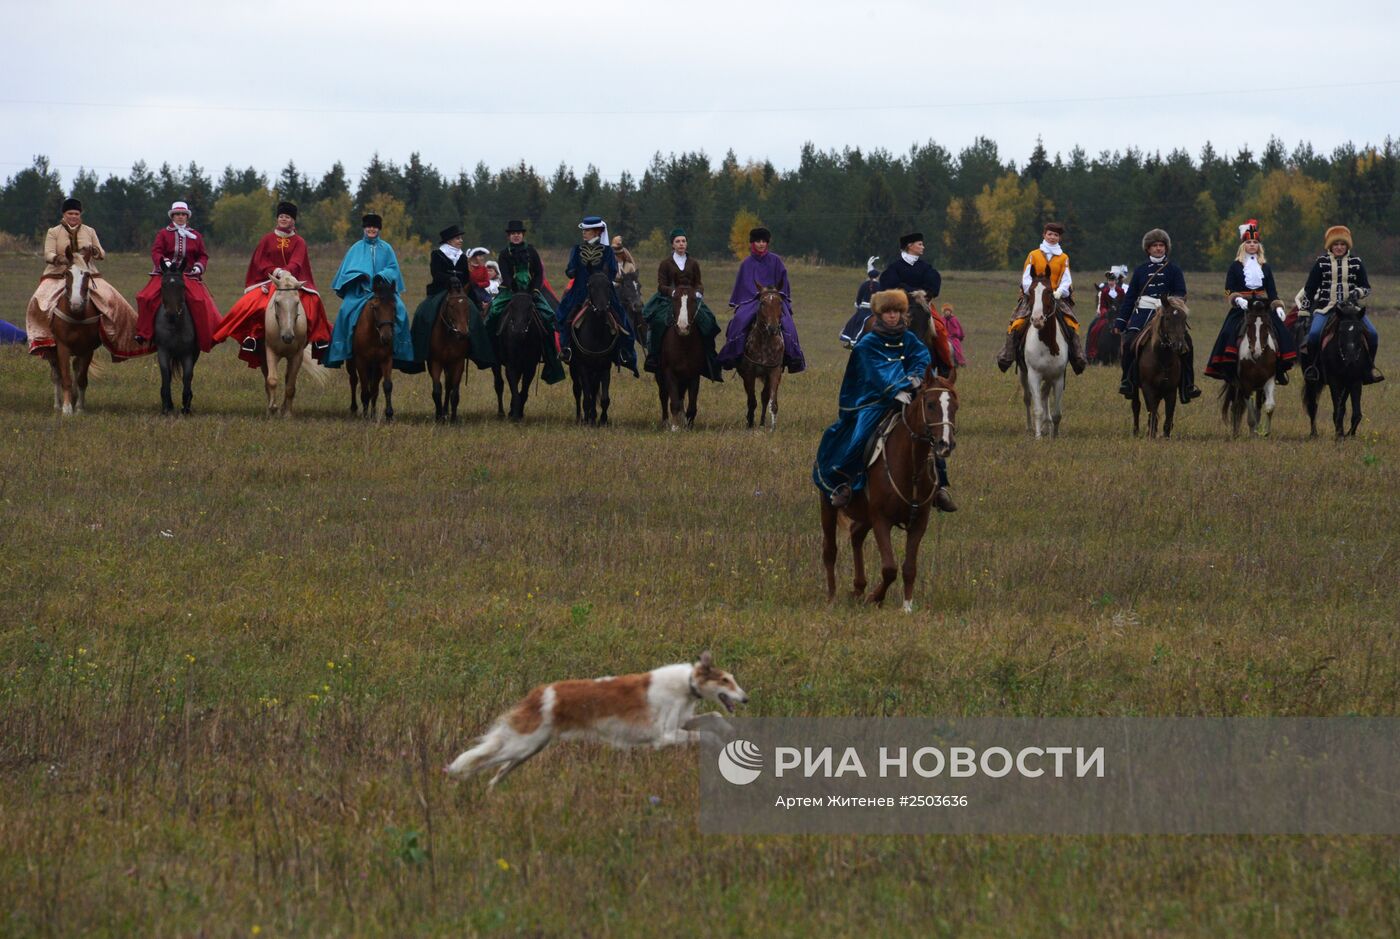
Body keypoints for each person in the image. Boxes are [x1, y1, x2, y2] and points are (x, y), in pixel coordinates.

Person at [813, 289, 955, 512]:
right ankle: (847, 482)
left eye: (896, 311)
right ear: (879, 314)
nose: (892, 316)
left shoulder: (909, 339)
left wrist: (917, 377)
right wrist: (895, 390)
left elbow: (921, 357)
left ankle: (940, 486)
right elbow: (873, 372)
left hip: (909, 397)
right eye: (888, 312)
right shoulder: (866, 343)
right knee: (860, 435)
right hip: (873, 401)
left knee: (929, 432)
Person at [213, 201, 332, 367]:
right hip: (269, 281)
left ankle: (319, 339)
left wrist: (286, 274)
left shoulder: (299, 241)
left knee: (314, 303)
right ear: (277, 219)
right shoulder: (267, 240)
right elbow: (260, 262)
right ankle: (252, 337)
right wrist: (277, 272)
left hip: (292, 282)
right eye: (281, 216)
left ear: (293, 221)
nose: (283, 219)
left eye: (287, 217)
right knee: (252, 304)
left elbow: (297, 262)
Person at [23, 198, 144, 360]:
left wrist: (94, 250)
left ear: (81, 214)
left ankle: (120, 341)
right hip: (58, 274)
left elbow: (101, 253)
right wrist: (59, 259)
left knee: (115, 301)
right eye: (70, 213)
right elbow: (48, 253)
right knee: (38, 300)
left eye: (76, 213)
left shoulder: (89, 231)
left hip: (88, 273)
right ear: (64, 214)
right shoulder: (54, 232)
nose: (73, 216)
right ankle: (43, 339)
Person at [1204, 219, 1296, 385]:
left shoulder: (1265, 267)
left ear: (1259, 245)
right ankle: (1229, 369)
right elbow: (1228, 289)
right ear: (1243, 245)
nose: (1252, 245)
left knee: (1281, 331)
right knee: (1228, 332)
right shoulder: (1235, 266)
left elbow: (1272, 291)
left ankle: (1280, 368)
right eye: (1249, 242)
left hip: (1262, 305)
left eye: (1255, 242)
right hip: (1243, 306)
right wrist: (1237, 299)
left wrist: (1278, 306)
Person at [1113, 228, 1199, 401]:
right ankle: (1127, 381)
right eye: (1155, 246)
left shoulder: (1174, 270)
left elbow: (1181, 293)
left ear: (1166, 248)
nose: (1158, 248)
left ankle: (1188, 386)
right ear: (1148, 249)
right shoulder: (1140, 270)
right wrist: (1121, 322)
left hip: (1167, 313)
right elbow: (1130, 298)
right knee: (1129, 343)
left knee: (1186, 344)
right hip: (1143, 312)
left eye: (1161, 245)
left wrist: (1169, 305)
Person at [324, 214, 414, 369]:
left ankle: (399, 350)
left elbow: (393, 268)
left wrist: (382, 275)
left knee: (401, 310)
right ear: (364, 229)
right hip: (361, 292)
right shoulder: (355, 248)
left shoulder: (387, 248)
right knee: (344, 312)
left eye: (374, 227)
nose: (371, 229)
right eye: (368, 227)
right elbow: (347, 271)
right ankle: (343, 349)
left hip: (384, 293)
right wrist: (360, 275)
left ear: (379, 229)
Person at [995, 222, 1087, 374]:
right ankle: (1008, 355)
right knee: (1016, 323)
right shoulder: (1034, 255)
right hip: (1033, 295)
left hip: (1056, 297)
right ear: (1044, 235)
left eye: (1056, 235)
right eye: (1050, 234)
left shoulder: (1064, 258)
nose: (1052, 237)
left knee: (1071, 323)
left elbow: (1066, 279)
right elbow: (1026, 277)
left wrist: (1060, 292)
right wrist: (1031, 292)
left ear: (1059, 238)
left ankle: (1077, 357)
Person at [404, 224, 496, 373]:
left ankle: (479, 353)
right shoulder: (437, 254)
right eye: (457, 238)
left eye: (460, 238)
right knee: (423, 313)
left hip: (459, 292)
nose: (460, 241)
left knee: (474, 314)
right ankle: (419, 353)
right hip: (440, 290)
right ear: (448, 241)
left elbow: (466, 277)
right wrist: (450, 279)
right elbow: (436, 273)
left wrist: (465, 287)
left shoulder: (461, 256)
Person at [134, 201, 222, 352]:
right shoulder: (163, 234)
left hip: (188, 274)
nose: (180, 217)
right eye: (177, 214)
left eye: (183, 214)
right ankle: (144, 333)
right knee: (145, 297)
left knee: (200, 301)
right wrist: (165, 263)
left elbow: (203, 255)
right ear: (172, 216)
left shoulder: (196, 236)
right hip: (164, 274)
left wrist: (197, 267)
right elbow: (156, 251)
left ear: (187, 217)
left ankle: (203, 335)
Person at [555, 214, 638, 375]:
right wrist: (571, 270)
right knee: (564, 317)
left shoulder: (607, 251)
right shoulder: (576, 249)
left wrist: (602, 277)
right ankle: (566, 349)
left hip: (601, 292)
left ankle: (624, 352)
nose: (584, 233)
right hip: (579, 291)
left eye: (587, 230)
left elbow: (613, 272)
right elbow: (570, 269)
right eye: (584, 230)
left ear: (597, 232)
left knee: (622, 319)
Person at [718, 227, 806, 372]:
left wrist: (776, 296)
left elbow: (783, 283)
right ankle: (732, 355)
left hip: (774, 299)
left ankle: (794, 357)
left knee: (788, 323)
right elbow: (743, 286)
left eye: (764, 241)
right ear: (752, 243)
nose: (761, 244)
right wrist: (757, 295)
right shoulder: (746, 263)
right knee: (740, 320)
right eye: (758, 241)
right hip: (752, 300)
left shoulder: (776, 261)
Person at [1300, 225, 1381, 383]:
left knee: (1373, 334)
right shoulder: (1321, 263)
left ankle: (1368, 368)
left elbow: (1366, 287)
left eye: (1342, 244)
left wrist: (1357, 292)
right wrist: (1304, 310)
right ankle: (1314, 368)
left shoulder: (1356, 262)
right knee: (1314, 335)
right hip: (1326, 309)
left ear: (1347, 245)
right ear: (1330, 245)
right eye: (1335, 244)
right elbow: (1310, 289)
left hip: (1351, 310)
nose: (1339, 247)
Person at [487, 219, 565, 383]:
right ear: (509, 236)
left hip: (532, 290)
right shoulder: (504, 254)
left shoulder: (532, 251)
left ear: (522, 235)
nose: (516, 236)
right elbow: (506, 276)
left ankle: (550, 357)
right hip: (510, 290)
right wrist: (515, 290)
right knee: (493, 313)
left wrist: (534, 290)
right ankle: (491, 351)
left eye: (519, 233)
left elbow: (538, 273)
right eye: (513, 234)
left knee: (548, 316)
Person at [640, 228, 721, 380]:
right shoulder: (665, 263)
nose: (681, 244)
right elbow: (661, 285)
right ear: (672, 245)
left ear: (686, 244)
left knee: (709, 321)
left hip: (690, 299)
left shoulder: (693, 263)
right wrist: (671, 292)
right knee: (658, 322)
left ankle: (710, 358)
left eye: (683, 241)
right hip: (670, 300)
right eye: (678, 241)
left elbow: (699, 283)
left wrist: (698, 292)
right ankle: (654, 356)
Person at [877, 231, 956, 374]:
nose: (923, 247)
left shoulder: (925, 267)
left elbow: (933, 285)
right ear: (910, 246)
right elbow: (889, 285)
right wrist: (908, 292)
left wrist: (925, 295)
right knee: (876, 327)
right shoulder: (895, 267)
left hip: (922, 305)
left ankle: (945, 366)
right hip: (898, 306)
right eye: (920, 244)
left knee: (939, 329)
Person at [839, 256, 882, 347]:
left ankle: (851, 341)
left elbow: (859, 298)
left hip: (864, 310)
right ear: (877, 276)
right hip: (875, 310)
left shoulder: (864, 284)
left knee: (853, 322)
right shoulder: (880, 285)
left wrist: (858, 305)